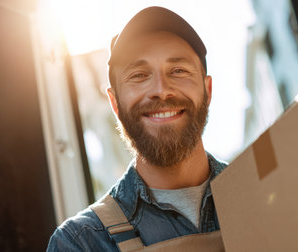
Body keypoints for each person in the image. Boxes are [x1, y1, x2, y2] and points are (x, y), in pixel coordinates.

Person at [47, 6, 227, 251]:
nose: (161, 89)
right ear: (115, 104)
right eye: (140, 75)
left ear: (207, 91)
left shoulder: (265, 191)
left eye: (178, 70)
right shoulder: (81, 243)